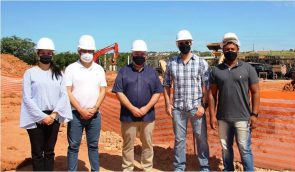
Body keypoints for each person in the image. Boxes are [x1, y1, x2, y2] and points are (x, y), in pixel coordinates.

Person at [208, 32, 260, 171]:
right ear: (223, 51)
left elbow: (255, 92)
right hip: (223, 118)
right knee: (226, 149)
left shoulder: (248, 69)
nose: (230, 51)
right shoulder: (216, 71)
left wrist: (254, 114)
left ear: (238, 49)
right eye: (227, 49)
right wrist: (212, 116)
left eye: (232, 49)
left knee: (244, 149)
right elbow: (212, 95)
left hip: (243, 117)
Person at [20, 37, 73, 171]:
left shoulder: (59, 73)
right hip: (35, 117)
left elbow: (63, 95)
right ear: (38, 54)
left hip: (53, 117)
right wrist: (41, 116)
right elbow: (27, 98)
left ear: (52, 54)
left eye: (49, 53)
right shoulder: (30, 73)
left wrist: (54, 114)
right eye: (43, 52)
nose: (46, 55)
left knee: (49, 152)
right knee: (37, 153)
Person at [112, 40, 164, 171]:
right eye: (137, 53)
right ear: (132, 54)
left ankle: (147, 168)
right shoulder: (124, 71)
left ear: (146, 55)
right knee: (128, 145)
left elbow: (157, 92)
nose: (139, 55)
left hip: (148, 117)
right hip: (128, 117)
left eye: (142, 53)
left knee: (147, 144)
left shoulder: (152, 72)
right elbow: (119, 92)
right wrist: (132, 109)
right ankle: (128, 168)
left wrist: (146, 108)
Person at [163, 30, 210, 171]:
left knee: (201, 139)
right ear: (177, 44)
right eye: (181, 43)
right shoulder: (171, 63)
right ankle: (179, 167)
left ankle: (205, 167)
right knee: (179, 140)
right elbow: (166, 84)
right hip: (178, 108)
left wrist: (203, 106)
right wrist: (167, 104)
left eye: (187, 43)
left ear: (191, 43)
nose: (184, 45)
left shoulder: (201, 63)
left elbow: (207, 87)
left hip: (196, 108)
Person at [65, 34, 107, 171]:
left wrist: (95, 108)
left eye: (90, 51)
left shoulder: (99, 69)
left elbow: (103, 90)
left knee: (93, 146)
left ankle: (95, 170)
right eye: (84, 51)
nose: (87, 54)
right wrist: (80, 109)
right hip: (75, 114)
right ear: (79, 51)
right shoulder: (71, 68)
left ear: (94, 52)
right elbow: (68, 91)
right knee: (73, 146)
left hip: (94, 115)